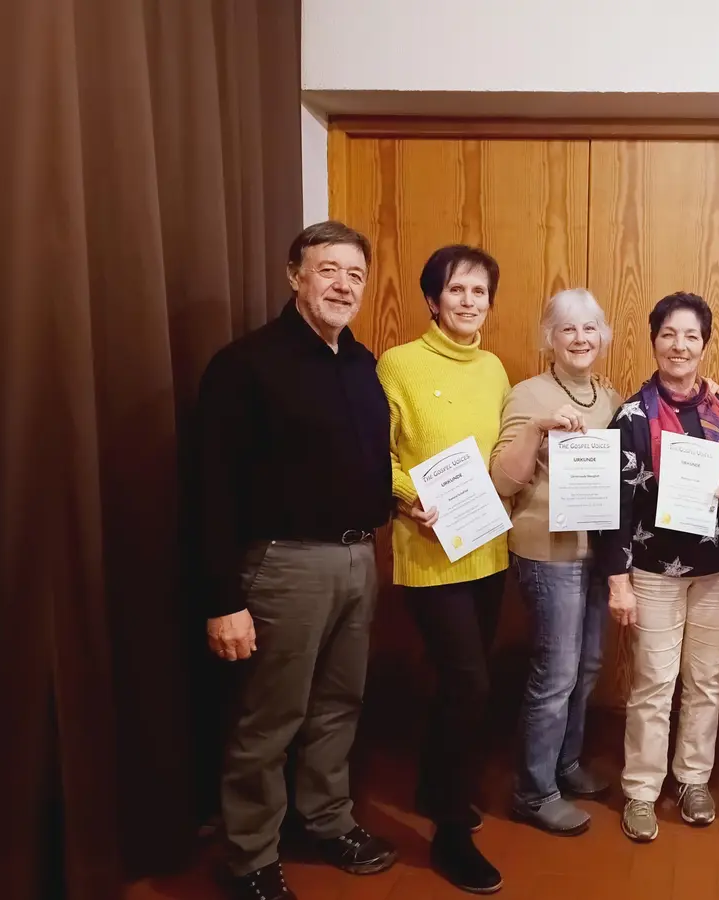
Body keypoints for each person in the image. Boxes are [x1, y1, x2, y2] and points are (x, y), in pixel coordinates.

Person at [198, 220, 396, 900]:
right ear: (295, 275)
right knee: (270, 717)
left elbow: (363, 466)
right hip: (283, 567)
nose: (343, 284)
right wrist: (223, 599)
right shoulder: (246, 365)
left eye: (356, 275)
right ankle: (250, 856)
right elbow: (210, 489)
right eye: (329, 269)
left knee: (339, 703)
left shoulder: (364, 366)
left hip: (358, 560)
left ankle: (325, 819)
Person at [376, 244, 510, 894]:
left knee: (462, 681)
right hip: (429, 552)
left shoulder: (493, 369)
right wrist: (409, 494)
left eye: (479, 292)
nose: (468, 302)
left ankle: (435, 788)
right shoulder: (397, 365)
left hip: (486, 548)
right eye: (456, 290)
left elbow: (504, 452)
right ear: (433, 300)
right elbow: (368, 451)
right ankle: (450, 833)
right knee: (469, 684)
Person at [598, 292, 719, 843]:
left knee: (705, 682)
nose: (679, 346)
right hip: (654, 572)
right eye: (669, 334)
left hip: (717, 572)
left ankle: (692, 779)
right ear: (654, 339)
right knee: (654, 683)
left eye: (691, 336)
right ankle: (640, 789)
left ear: (704, 344)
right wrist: (619, 581)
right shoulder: (631, 417)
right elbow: (612, 504)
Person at [489, 289, 622, 835]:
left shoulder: (611, 398)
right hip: (549, 553)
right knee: (556, 673)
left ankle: (565, 764)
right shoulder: (528, 395)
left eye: (590, 328)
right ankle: (532, 789)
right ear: (550, 337)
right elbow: (500, 480)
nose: (580, 338)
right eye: (567, 329)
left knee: (587, 667)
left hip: (598, 553)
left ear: (603, 337)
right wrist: (539, 430)